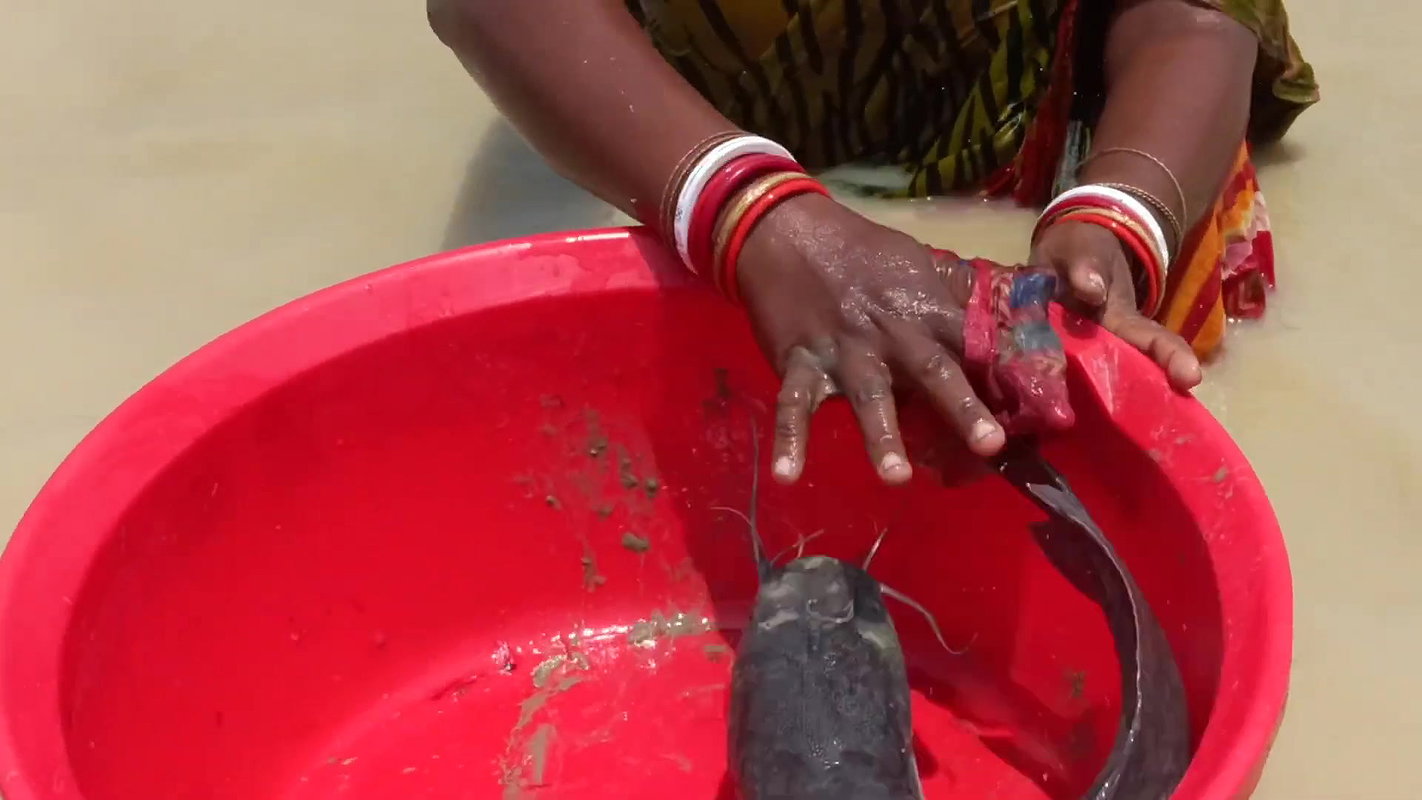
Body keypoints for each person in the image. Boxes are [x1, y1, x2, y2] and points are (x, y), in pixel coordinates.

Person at [427, 0, 1316, 484]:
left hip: (1054, 115)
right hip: (659, 117)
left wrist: (1120, 217)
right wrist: (753, 214)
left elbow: (1199, 15)